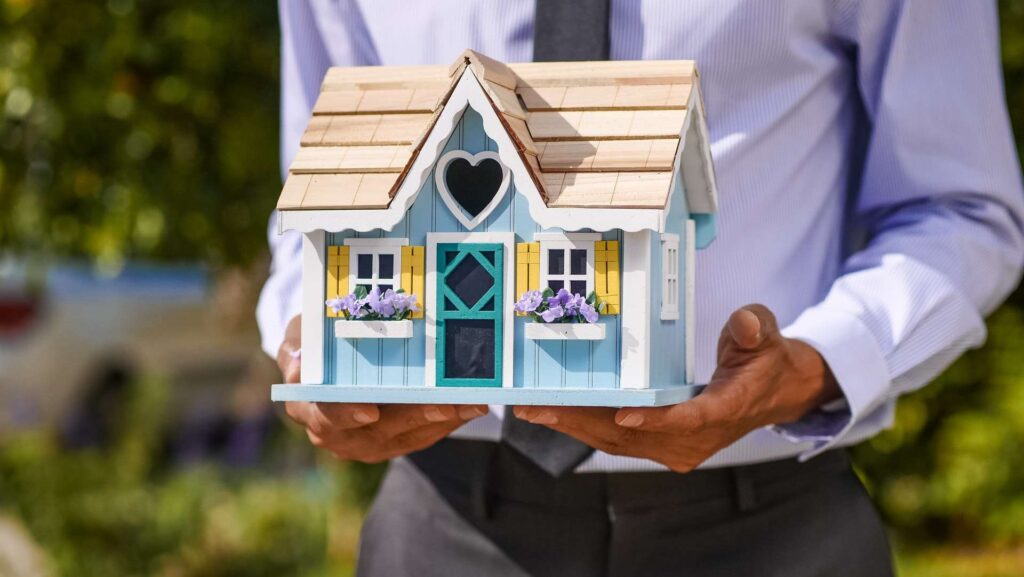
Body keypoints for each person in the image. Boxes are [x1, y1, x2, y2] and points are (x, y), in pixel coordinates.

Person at [257, 1, 1024, 576]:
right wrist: (313, 341)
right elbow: (322, 195)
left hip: (771, 532)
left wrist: (819, 363)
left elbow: (961, 209)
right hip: (444, 525)